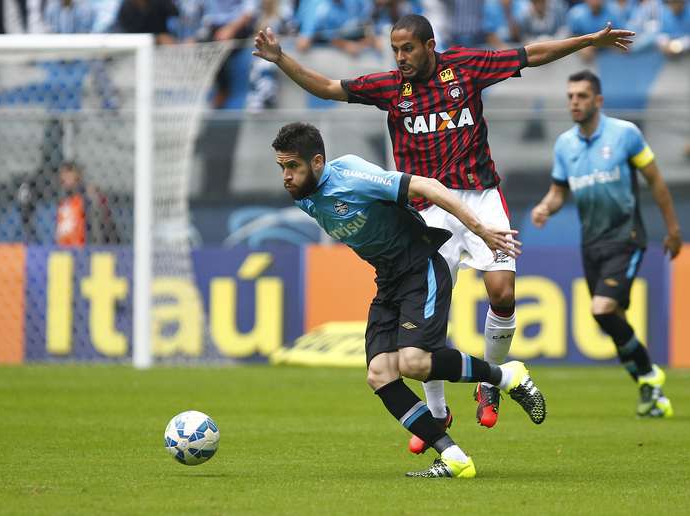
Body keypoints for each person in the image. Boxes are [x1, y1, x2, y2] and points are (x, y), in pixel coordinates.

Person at [253, 14, 634, 447]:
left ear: (429, 45)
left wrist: (589, 40)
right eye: (395, 50)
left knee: (503, 292)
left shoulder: (466, 67)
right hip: (427, 206)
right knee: (427, 312)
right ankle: (437, 415)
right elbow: (329, 88)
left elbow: (532, 54)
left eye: (408, 49)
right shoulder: (392, 88)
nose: (400, 58)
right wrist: (281, 58)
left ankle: (490, 383)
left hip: (479, 194)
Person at [272, 121, 546, 478]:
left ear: (319, 162)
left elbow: (428, 186)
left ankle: (504, 375)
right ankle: (453, 458)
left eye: (293, 166)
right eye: (282, 168)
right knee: (380, 373)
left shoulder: (351, 176)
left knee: (414, 361)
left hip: (421, 266)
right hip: (389, 281)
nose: (286, 176)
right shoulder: (306, 199)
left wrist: (480, 230)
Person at [531, 70, 680, 418]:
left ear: (597, 100)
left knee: (601, 309)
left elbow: (656, 181)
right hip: (591, 243)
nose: (574, 102)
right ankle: (648, 386)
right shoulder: (565, 144)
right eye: (570, 96)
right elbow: (558, 192)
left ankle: (647, 374)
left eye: (582, 96)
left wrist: (672, 229)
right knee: (609, 318)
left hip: (625, 237)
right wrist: (544, 208)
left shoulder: (625, 134)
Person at [56, 160, 119, 246]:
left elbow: (98, 224)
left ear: (77, 175)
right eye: (64, 174)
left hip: (89, 243)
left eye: (69, 173)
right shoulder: (63, 197)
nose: (66, 177)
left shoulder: (88, 195)